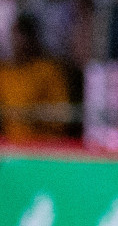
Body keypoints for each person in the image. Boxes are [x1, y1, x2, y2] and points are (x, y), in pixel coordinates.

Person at [0, 13, 70, 141]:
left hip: (40, 147)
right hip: (8, 147)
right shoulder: (4, 72)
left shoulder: (47, 70)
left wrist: (32, 114)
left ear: (32, 38)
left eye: (20, 36)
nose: (15, 42)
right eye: (13, 36)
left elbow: (61, 116)